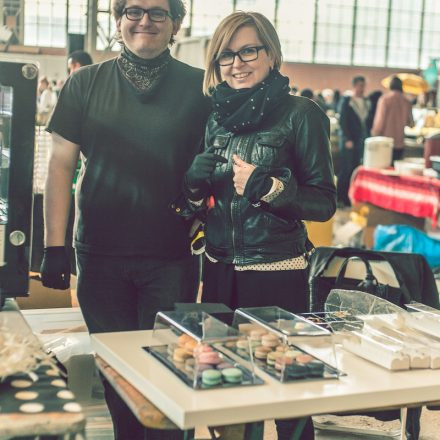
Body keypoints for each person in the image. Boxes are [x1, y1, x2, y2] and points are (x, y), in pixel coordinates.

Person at [40, 0, 210, 438]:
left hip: (170, 257)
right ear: (118, 21)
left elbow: (219, 163)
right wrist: (53, 246)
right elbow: (60, 164)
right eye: (133, 10)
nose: (145, 21)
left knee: (170, 377)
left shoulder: (200, 88)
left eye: (158, 12)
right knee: (117, 379)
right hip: (100, 255)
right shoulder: (86, 84)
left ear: (176, 23)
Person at [183, 11, 336, 440]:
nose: (237, 63)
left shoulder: (301, 114)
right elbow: (196, 205)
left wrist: (268, 187)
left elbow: (324, 203)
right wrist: (192, 185)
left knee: (288, 398)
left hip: (277, 275)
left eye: (248, 50)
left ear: (271, 54)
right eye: (226, 56)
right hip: (217, 271)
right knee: (225, 393)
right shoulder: (214, 117)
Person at [337, 75, 370, 207]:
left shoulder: (366, 101)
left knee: (356, 169)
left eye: (363, 85)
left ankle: (350, 197)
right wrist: (347, 138)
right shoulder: (347, 100)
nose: (362, 88)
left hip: (360, 140)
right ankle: (340, 197)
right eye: (360, 85)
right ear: (354, 86)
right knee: (346, 168)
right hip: (348, 141)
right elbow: (343, 121)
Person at [372, 77, 413, 161]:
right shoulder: (407, 101)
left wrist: (374, 134)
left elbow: (380, 121)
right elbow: (410, 123)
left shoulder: (384, 99)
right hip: (400, 142)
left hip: (385, 142)